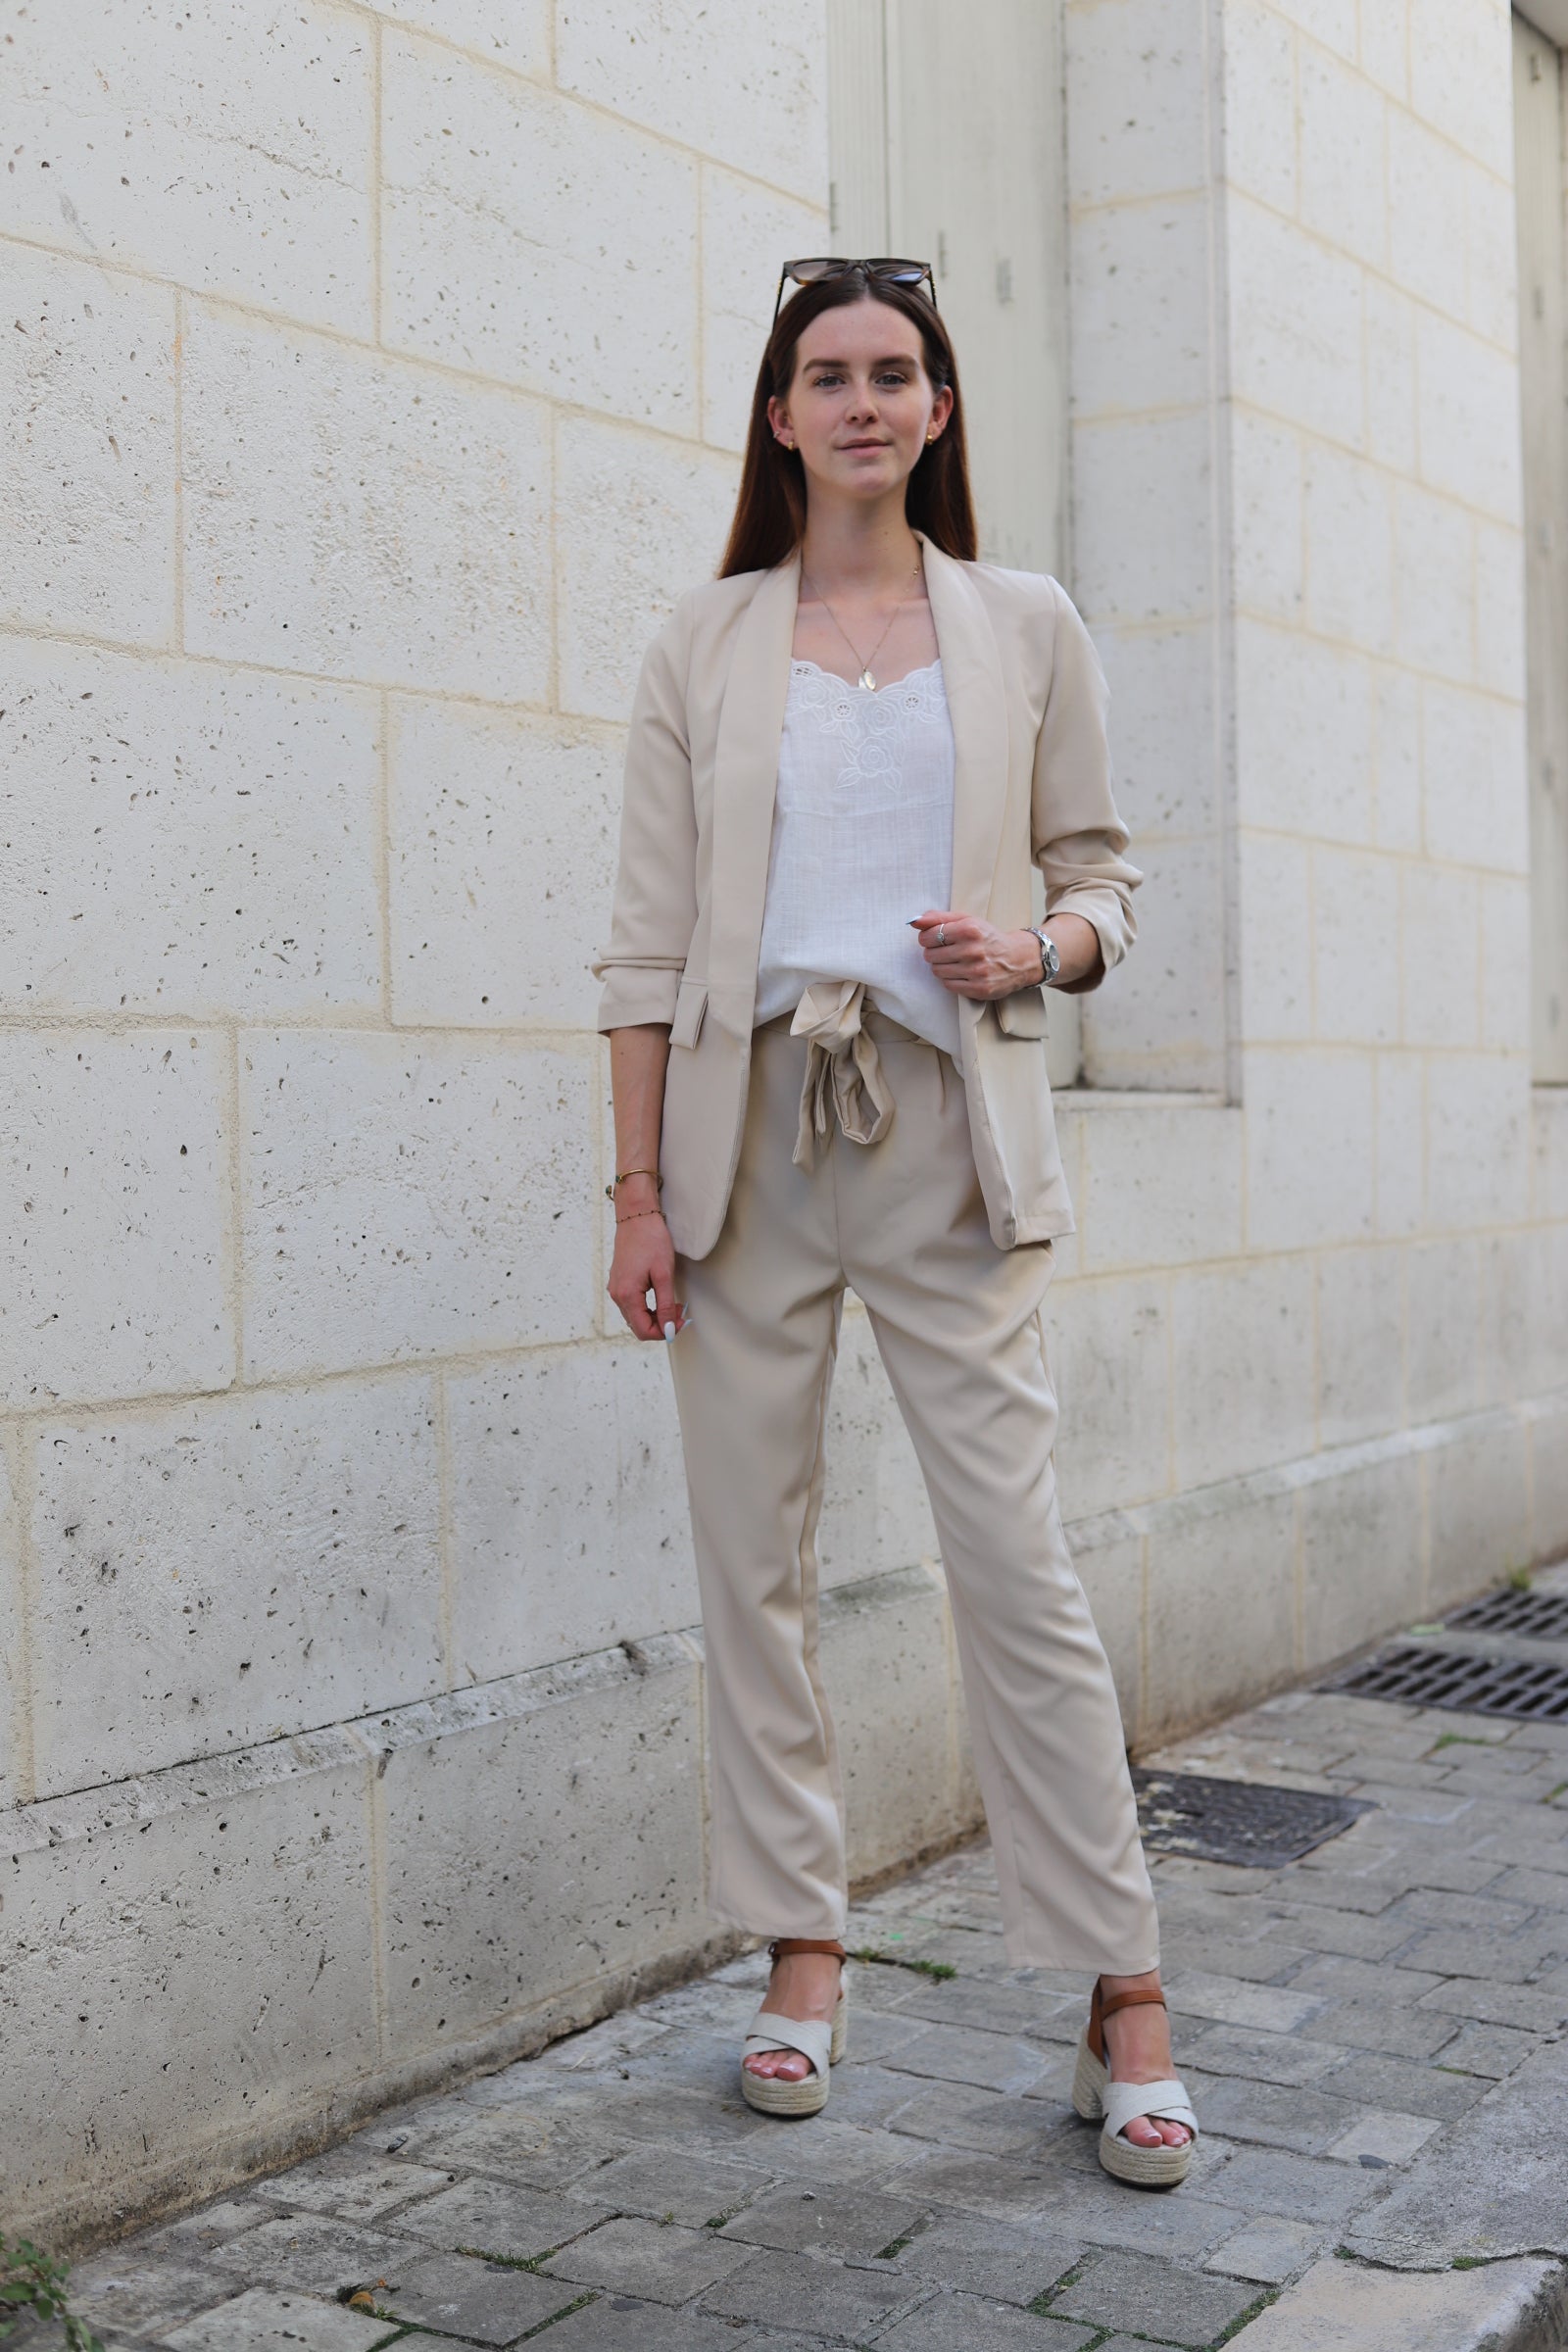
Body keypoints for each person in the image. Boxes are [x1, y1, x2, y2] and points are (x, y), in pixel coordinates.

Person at [591, 257, 1198, 2188]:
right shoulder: (703, 640)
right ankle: (802, 1943)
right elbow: (643, 946)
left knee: (1013, 1562)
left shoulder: (1023, 624)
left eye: (896, 371)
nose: (863, 401)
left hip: (945, 1129)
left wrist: (1042, 948)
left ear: (937, 409)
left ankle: (1121, 1987)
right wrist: (635, 1194)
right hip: (744, 1138)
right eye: (829, 374)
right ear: (779, 417)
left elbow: (1103, 874)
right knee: (748, 1569)